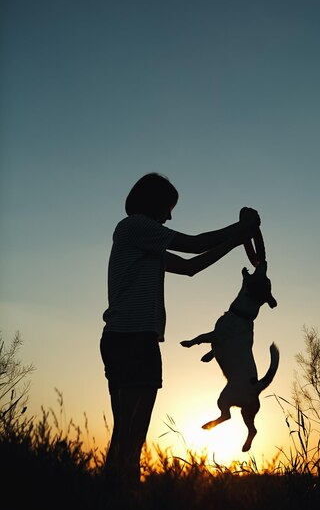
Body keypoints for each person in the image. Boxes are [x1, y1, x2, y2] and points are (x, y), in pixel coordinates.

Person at [100, 172, 260, 492]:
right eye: (169, 207)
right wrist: (242, 228)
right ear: (154, 203)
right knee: (130, 436)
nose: (170, 215)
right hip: (133, 338)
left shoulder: (143, 239)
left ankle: (110, 495)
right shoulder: (134, 226)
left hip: (129, 338)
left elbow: (191, 266)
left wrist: (236, 239)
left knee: (127, 434)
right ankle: (121, 496)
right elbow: (194, 244)